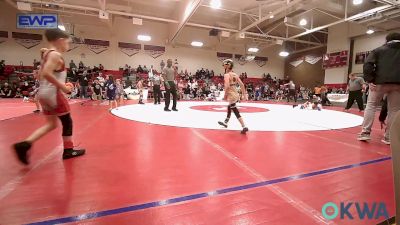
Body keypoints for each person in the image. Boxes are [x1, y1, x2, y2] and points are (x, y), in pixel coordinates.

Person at [13, 29, 85, 165]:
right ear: (60, 40)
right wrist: (63, 87)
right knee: (67, 121)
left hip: (43, 94)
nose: (68, 47)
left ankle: (25, 144)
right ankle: (68, 151)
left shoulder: (46, 54)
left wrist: (61, 83)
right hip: (54, 94)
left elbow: (40, 75)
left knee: (51, 125)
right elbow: (45, 73)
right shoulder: (55, 55)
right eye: (68, 43)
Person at [358, 32, 400, 144]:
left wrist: (369, 80)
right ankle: (389, 137)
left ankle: (365, 133)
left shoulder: (378, 50)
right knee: (394, 110)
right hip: (398, 84)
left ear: (387, 40)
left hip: (379, 83)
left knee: (371, 105)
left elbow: (368, 64)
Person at [218, 59, 248, 134]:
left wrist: (225, 96)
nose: (223, 67)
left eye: (224, 65)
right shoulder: (235, 74)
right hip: (235, 93)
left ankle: (244, 126)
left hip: (231, 94)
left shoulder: (226, 75)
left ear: (227, 66)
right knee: (230, 106)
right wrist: (244, 95)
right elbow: (242, 85)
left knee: (234, 110)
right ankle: (226, 122)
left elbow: (227, 86)